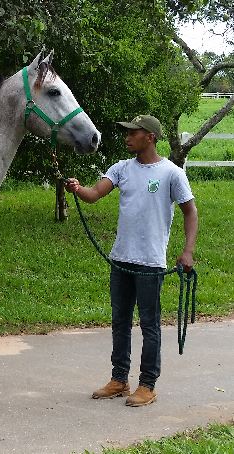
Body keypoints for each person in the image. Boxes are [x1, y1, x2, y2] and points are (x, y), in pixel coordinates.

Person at [65, 114, 198, 407]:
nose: (126, 137)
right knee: (120, 322)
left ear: (149, 137)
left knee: (149, 324)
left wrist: (187, 251)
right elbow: (94, 194)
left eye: (132, 133)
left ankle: (148, 384)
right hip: (121, 260)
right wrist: (77, 189)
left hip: (150, 263)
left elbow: (191, 211)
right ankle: (119, 380)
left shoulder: (171, 173)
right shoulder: (121, 169)